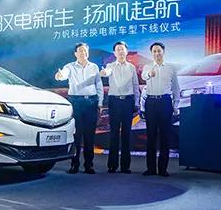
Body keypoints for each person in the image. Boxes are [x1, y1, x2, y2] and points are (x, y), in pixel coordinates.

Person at [55, 42, 103, 174]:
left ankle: (89, 165)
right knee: (76, 135)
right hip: (76, 103)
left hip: (91, 102)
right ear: (75, 53)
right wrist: (59, 75)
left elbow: (99, 86)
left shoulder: (94, 67)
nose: (83, 53)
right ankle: (74, 164)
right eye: (81, 51)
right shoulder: (70, 66)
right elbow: (63, 74)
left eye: (85, 51)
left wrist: (100, 103)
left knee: (89, 136)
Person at [140, 42, 180, 177]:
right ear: (152, 53)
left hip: (165, 102)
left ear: (163, 52)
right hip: (151, 102)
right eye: (154, 51)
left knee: (165, 136)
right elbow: (143, 76)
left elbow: (175, 88)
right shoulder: (147, 67)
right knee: (151, 136)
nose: (157, 53)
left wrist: (176, 105)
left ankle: (163, 169)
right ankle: (150, 168)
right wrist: (149, 74)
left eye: (159, 51)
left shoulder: (170, 68)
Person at [100, 41, 140, 174]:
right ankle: (112, 165)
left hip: (128, 101)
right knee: (114, 133)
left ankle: (125, 166)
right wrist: (104, 72)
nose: (121, 51)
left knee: (127, 134)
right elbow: (106, 72)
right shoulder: (110, 66)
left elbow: (135, 86)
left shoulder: (131, 67)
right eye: (118, 49)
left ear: (126, 51)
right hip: (114, 102)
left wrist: (136, 103)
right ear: (114, 53)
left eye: (122, 49)